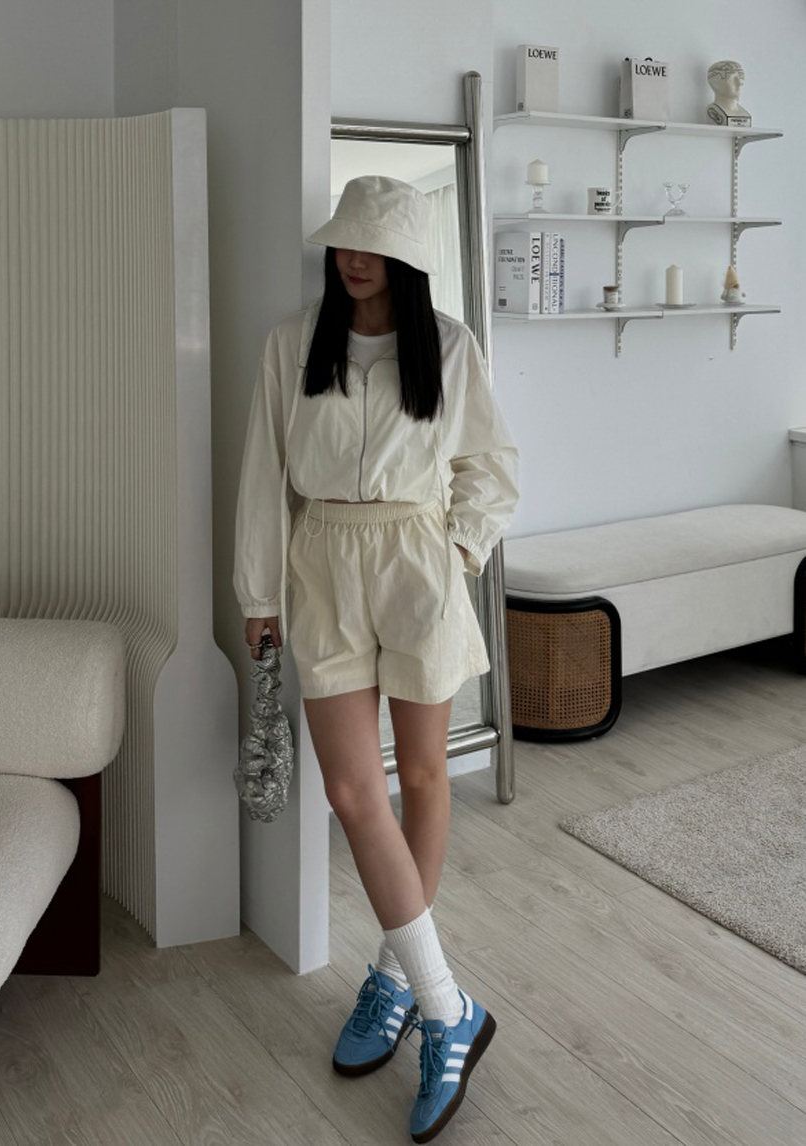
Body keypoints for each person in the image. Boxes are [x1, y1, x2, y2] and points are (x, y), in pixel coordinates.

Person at [233, 174, 520, 1143]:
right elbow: (264, 475)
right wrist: (258, 596)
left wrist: (459, 551)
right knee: (355, 794)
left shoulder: (448, 346)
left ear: (407, 258)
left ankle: (399, 980)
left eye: (374, 245)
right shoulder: (290, 344)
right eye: (344, 243)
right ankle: (449, 1008)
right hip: (321, 563)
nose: (354, 259)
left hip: (416, 560)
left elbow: (491, 467)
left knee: (426, 776)